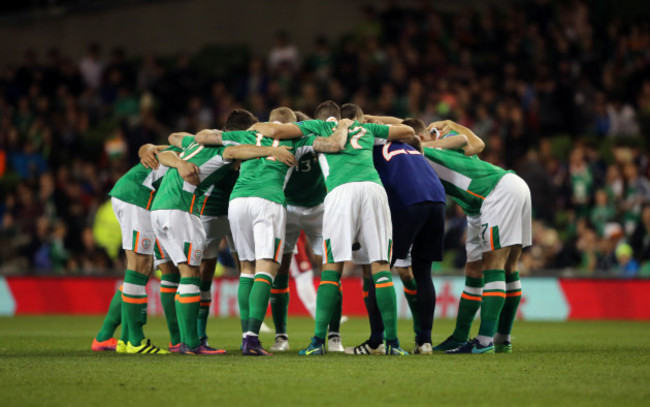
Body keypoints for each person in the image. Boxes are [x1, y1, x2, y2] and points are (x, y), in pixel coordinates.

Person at [251, 100, 417, 355]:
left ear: (320, 117)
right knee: (381, 266)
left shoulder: (316, 126)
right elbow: (408, 131)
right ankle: (393, 344)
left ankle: (317, 342)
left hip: (340, 192)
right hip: (374, 189)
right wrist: (370, 119)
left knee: (332, 267)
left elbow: (279, 131)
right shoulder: (364, 129)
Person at [194, 106, 347, 356]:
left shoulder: (246, 135)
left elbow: (202, 137)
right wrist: (341, 125)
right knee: (267, 268)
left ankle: (247, 335)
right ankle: (253, 339)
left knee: (246, 269)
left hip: (237, 202)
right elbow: (333, 146)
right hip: (269, 201)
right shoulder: (299, 138)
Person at [150, 123, 296, 355]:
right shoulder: (228, 146)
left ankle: (184, 341)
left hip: (158, 209)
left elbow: (172, 138)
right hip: (181, 207)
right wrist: (271, 151)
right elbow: (230, 152)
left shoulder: (195, 143)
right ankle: (192, 343)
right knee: (190, 274)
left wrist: (175, 159)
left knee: (181, 273)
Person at [340, 105, 446, 355]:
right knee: (423, 272)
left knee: (379, 267)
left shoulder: (366, 146)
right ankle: (425, 341)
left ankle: (376, 341)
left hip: (408, 201)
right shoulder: (407, 143)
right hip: (437, 200)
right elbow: (407, 122)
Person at [420, 120, 530, 354]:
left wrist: (448, 127)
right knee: (484, 270)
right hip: (480, 206)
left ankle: (485, 341)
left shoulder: (433, 150)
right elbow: (477, 143)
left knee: (495, 265)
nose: (433, 133)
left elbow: (470, 141)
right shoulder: (445, 151)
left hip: (496, 192)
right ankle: (476, 338)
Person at [91, 143, 194, 355]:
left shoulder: (191, 148)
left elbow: (152, 147)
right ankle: (135, 341)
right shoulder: (196, 150)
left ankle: (112, 337)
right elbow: (152, 147)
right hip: (137, 197)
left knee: (140, 269)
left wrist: (145, 149)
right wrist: (144, 150)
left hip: (140, 198)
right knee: (139, 266)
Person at [269, 110, 344, 353]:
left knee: (330, 269)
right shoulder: (278, 143)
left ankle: (333, 335)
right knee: (280, 269)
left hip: (318, 209)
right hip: (288, 208)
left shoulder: (313, 139)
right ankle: (282, 335)